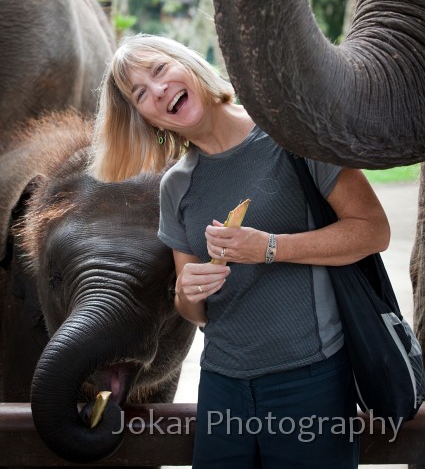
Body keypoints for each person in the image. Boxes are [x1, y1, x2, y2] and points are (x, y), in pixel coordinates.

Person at [89, 33, 391, 469]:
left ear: (188, 65)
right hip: (222, 384)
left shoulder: (291, 134)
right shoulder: (176, 185)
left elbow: (372, 230)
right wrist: (188, 292)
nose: (157, 90)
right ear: (147, 119)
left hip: (311, 376)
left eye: (159, 70)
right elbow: (194, 311)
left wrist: (270, 247)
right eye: (140, 94)